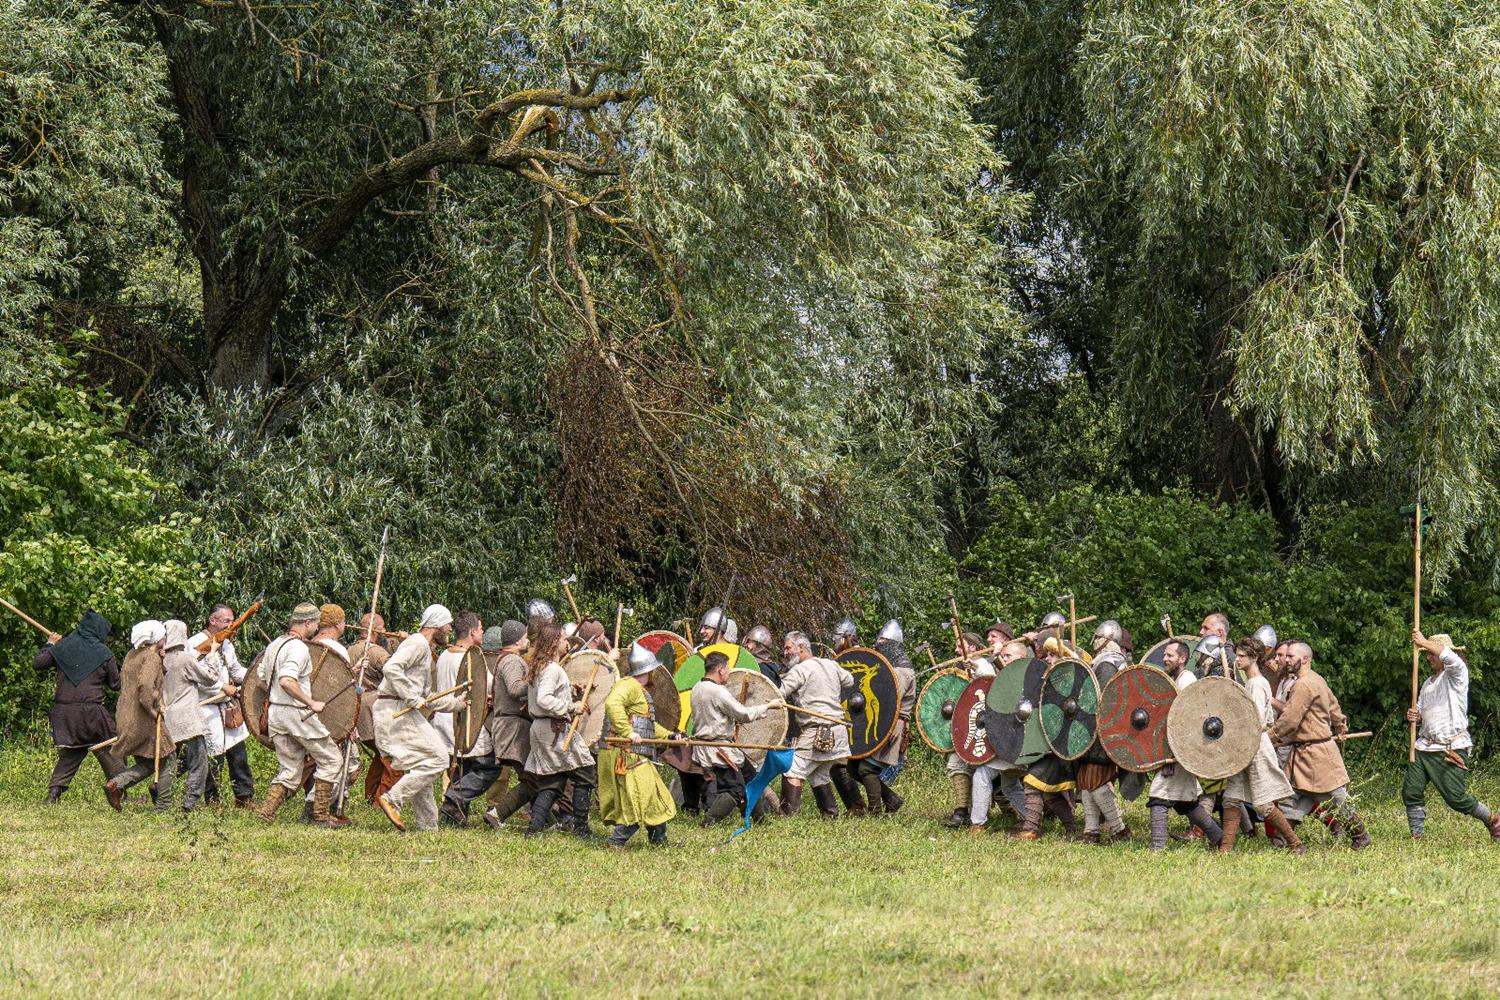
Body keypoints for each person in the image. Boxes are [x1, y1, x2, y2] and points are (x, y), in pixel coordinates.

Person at [372, 604, 468, 832]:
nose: (450, 629)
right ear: (437, 624)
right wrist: (412, 697)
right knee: (439, 758)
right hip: (395, 709)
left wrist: (458, 704)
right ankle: (392, 799)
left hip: (400, 707)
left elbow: (427, 698)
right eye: (448, 624)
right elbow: (391, 668)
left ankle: (428, 827)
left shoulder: (424, 649)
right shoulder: (416, 643)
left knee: (422, 763)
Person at [1268, 641, 1371, 849]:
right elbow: (1333, 706)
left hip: (1318, 754)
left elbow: (1289, 720)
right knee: (1292, 798)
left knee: (1336, 798)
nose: (1287, 660)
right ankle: (1285, 840)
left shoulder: (1303, 685)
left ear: (1305, 659)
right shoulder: (1316, 679)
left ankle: (1360, 835)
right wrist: (1340, 724)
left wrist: (1269, 737)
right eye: (1286, 656)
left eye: (1291, 657)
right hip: (1304, 753)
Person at [253, 603, 348, 828]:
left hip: (276, 714)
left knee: (290, 769)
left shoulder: (275, 644)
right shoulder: (298, 648)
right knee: (332, 759)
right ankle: (320, 816)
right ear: (307, 623)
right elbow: (287, 680)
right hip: (297, 714)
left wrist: (277, 694)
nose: (317, 628)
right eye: (315, 623)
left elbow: (260, 679)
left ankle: (266, 813)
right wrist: (310, 702)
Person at [1404, 630, 1500, 841]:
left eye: (1431, 653)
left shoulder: (1457, 673)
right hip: (1424, 747)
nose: (1428, 657)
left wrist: (1423, 642)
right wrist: (1416, 716)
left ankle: (1493, 819)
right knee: (1411, 790)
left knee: (1456, 798)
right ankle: (1417, 837)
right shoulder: (1428, 683)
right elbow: (1422, 713)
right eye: (1427, 653)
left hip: (1450, 747)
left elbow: (1449, 656)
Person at [1221, 638, 1303, 854]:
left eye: (1242, 656)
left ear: (1254, 657)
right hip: (1244, 745)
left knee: (1263, 803)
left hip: (1255, 745)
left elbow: (1255, 721)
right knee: (1231, 798)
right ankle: (1225, 849)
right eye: (1237, 655)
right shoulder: (1251, 682)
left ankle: (1296, 844)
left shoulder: (1257, 684)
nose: (1237, 660)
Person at [32, 610, 124, 802]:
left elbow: (39, 663)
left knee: (72, 752)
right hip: (92, 713)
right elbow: (116, 684)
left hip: (65, 713)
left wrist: (50, 644)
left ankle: (53, 794)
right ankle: (120, 792)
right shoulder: (104, 653)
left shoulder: (62, 647)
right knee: (111, 747)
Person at [598, 641, 680, 846]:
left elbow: (647, 725)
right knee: (638, 799)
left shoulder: (638, 689)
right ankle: (616, 842)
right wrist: (627, 732)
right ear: (647, 670)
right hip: (626, 755)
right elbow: (612, 704)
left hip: (634, 755)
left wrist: (671, 736)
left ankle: (659, 840)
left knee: (654, 794)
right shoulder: (628, 685)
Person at [519, 621, 596, 838]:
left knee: (553, 782)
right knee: (585, 772)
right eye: (563, 638)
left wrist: (571, 689)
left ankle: (534, 830)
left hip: (543, 728)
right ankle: (581, 829)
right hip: (554, 729)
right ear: (554, 642)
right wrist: (572, 707)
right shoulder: (552, 669)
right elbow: (544, 699)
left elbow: (549, 693)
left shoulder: (541, 666)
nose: (566, 642)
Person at [1146, 639, 1222, 850]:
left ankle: (1158, 848)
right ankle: (1219, 838)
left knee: (1159, 794)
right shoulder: (1177, 679)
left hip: (1180, 750)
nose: (1164, 658)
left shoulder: (1187, 680)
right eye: (1164, 655)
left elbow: (1188, 717)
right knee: (1186, 802)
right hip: (1176, 749)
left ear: (1182, 659)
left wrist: (1178, 751)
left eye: (1169, 655)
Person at [690, 650, 780, 826]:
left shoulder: (697, 687)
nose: (729, 673)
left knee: (752, 779)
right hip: (719, 750)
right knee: (735, 790)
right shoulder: (717, 691)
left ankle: (760, 821)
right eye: (728, 669)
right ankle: (708, 823)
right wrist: (768, 706)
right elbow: (743, 714)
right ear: (721, 669)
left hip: (716, 746)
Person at [779, 631, 854, 819]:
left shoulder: (800, 670)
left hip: (817, 732)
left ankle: (787, 818)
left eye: (788, 648)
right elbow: (849, 680)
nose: (785, 652)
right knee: (818, 775)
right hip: (838, 731)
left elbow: (780, 692)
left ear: (801, 647)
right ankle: (830, 815)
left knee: (792, 769)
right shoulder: (831, 664)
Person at [188, 604, 253, 808]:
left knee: (239, 754)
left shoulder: (226, 643)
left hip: (227, 708)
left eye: (232, 621)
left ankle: (244, 797)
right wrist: (222, 687)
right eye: (226, 621)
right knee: (214, 757)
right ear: (213, 620)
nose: (231, 625)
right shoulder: (194, 644)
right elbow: (195, 677)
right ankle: (213, 801)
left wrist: (254, 675)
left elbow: (235, 670)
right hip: (206, 708)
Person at [104, 621, 173, 811]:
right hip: (142, 718)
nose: (165, 638)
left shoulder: (132, 654)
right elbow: (145, 687)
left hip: (126, 715)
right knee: (168, 756)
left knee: (148, 762)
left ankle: (116, 785)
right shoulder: (151, 658)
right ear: (156, 638)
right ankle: (163, 806)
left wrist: (161, 660)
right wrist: (154, 709)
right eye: (163, 635)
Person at [968, 639, 1030, 835]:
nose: (1005, 659)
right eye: (1003, 656)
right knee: (1009, 784)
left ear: (1022, 657)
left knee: (982, 774)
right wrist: (978, 667)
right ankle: (1031, 819)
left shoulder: (1026, 677)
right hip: (1012, 744)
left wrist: (985, 663)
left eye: (1008, 656)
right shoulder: (1012, 676)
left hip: (1022, 745)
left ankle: (978, 824)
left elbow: (1001, 687)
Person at [1075, 621, 1129, 844]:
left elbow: (1101, 701)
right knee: (1086, 781)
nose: (1094, 642)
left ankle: (1119, 830)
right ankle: (1091, 831)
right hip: (1097, 729)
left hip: (1104, 730)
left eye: (1098, 638)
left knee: (1096, 781)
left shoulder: (1108, 664)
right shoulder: (1108, 661)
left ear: (1107, 640)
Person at [480, 621, 536, 830]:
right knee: (533, 778)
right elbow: (514, 689)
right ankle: (497, 814)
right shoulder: (512, 660)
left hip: (511, 725)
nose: (528, 640)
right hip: (512, 727)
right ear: (518, 640)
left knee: (532, 777)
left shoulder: (507, 659)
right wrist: (537, 679)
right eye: (526, 637)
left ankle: (547, 821)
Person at [943, 630, 996, 827]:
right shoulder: (959, 668)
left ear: (972, 648)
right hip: (966, 726)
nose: (956, 650)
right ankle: (961, 810)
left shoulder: (983, 664)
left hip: (985, 728)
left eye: (960, 646)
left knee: (986, 771)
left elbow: (990, 683)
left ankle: (1011, 812)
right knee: (956, 763)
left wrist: (974, 667)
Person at [860, 618, 911, 814]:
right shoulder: (892, 668)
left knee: (867, 769)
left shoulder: (901, 671)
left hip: (893, 724)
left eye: (882, 643)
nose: (878, 647)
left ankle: (875, 810)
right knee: (854, 767)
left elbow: (891, 700)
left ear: (892, 645)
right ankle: (891, 799)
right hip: (884, 722)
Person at [347, 612, 397, 804]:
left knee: (380, 755)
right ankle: (380, 801)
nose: (385, 631)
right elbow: (397, 672)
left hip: (354, 712)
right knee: (391, 757)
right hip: (372, 714)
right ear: (375, 630)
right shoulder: (376, 652)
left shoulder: (348, 650)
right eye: (382, 628)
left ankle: (371, 796)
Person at [825, 617, 867, 816]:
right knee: (850, 767)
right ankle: (886, 800)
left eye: (837, 637)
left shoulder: (861, 658)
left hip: (860, 719)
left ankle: (857, 806)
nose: (834, 642)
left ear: (846, 637)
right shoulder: (842, 659)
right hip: (845, 718)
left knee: (843, 766)